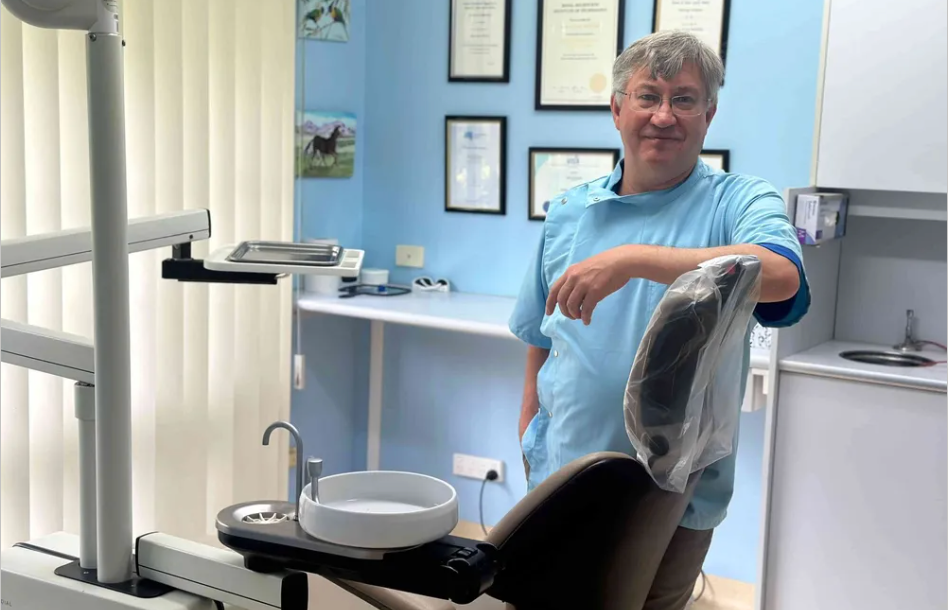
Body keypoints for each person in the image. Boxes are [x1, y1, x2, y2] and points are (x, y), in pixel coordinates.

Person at [508, 31, 810, 610]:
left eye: (684, 99)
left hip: (675, 496)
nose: (664, 116)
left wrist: (633, 260)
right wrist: (529, 427)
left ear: (709, 115)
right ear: (617, 109)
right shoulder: (570, 211)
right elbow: (540, 335)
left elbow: (780, 275)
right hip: (563, 476)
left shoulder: (737, 202)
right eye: (647, 96)